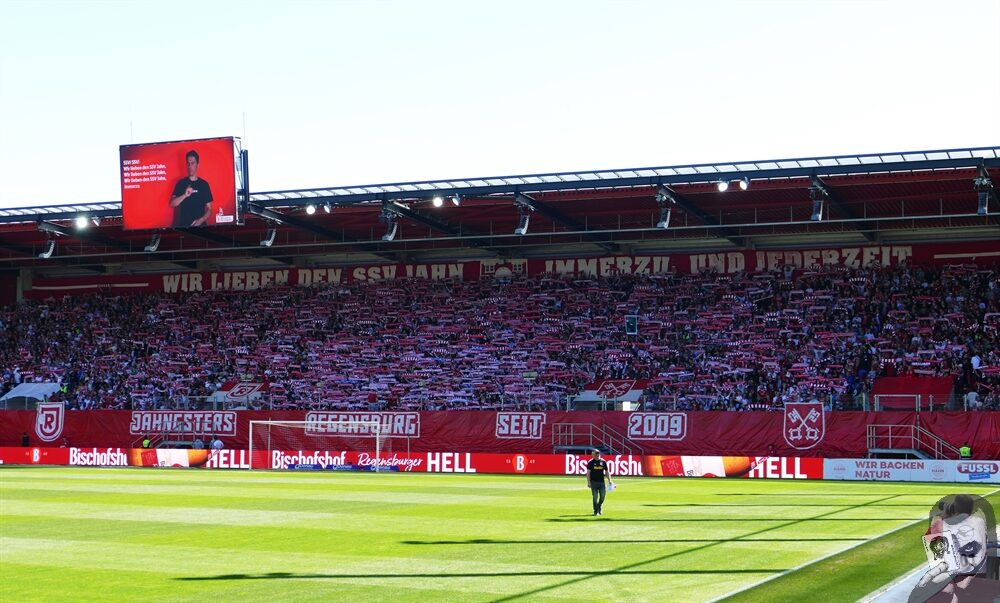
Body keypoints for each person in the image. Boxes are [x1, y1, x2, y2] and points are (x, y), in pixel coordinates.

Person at [169, 150, 214, 227]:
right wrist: (184, 195)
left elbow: (209, 209)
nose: (190, 166)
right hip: (184, 226)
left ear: (198, 164)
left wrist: (201, 220)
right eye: (188, 164)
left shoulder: (204, 185)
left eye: (192, 163)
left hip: (201, 227)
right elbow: (172, 204)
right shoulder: (181, 183)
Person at [586, 449, 614, 516]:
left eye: (598, 453)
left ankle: (599, 506)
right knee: (595, 497)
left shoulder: (603, 462)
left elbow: (607, 472)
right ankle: (596, 511)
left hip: (601, 482)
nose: (597, 455)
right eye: (596, 454)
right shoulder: (590, 462)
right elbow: (588, 473)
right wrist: (589, 482)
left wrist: (610, 480)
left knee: (602, 496)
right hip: (594, 482)